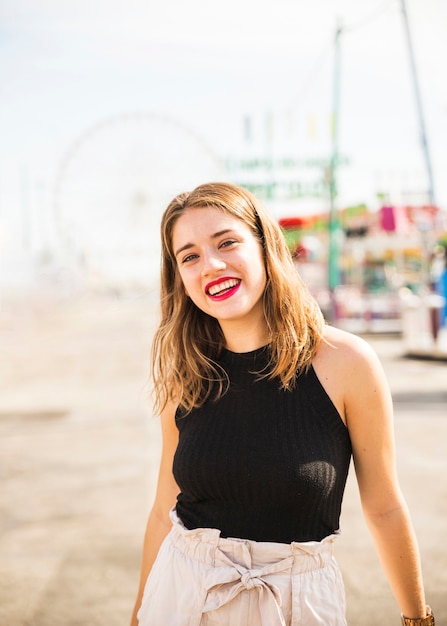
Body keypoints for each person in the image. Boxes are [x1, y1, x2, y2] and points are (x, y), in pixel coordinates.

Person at [130, 182, 434, 625]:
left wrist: (418, 620)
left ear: (265, 247)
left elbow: (384, 506)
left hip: (299, 605)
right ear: (178, 277)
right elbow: (164, 508)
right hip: (180, 598)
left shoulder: (345, 363)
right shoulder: (186, 374)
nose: (210, 265)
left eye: (227, 242)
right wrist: (139, 614)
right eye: (189, 256)